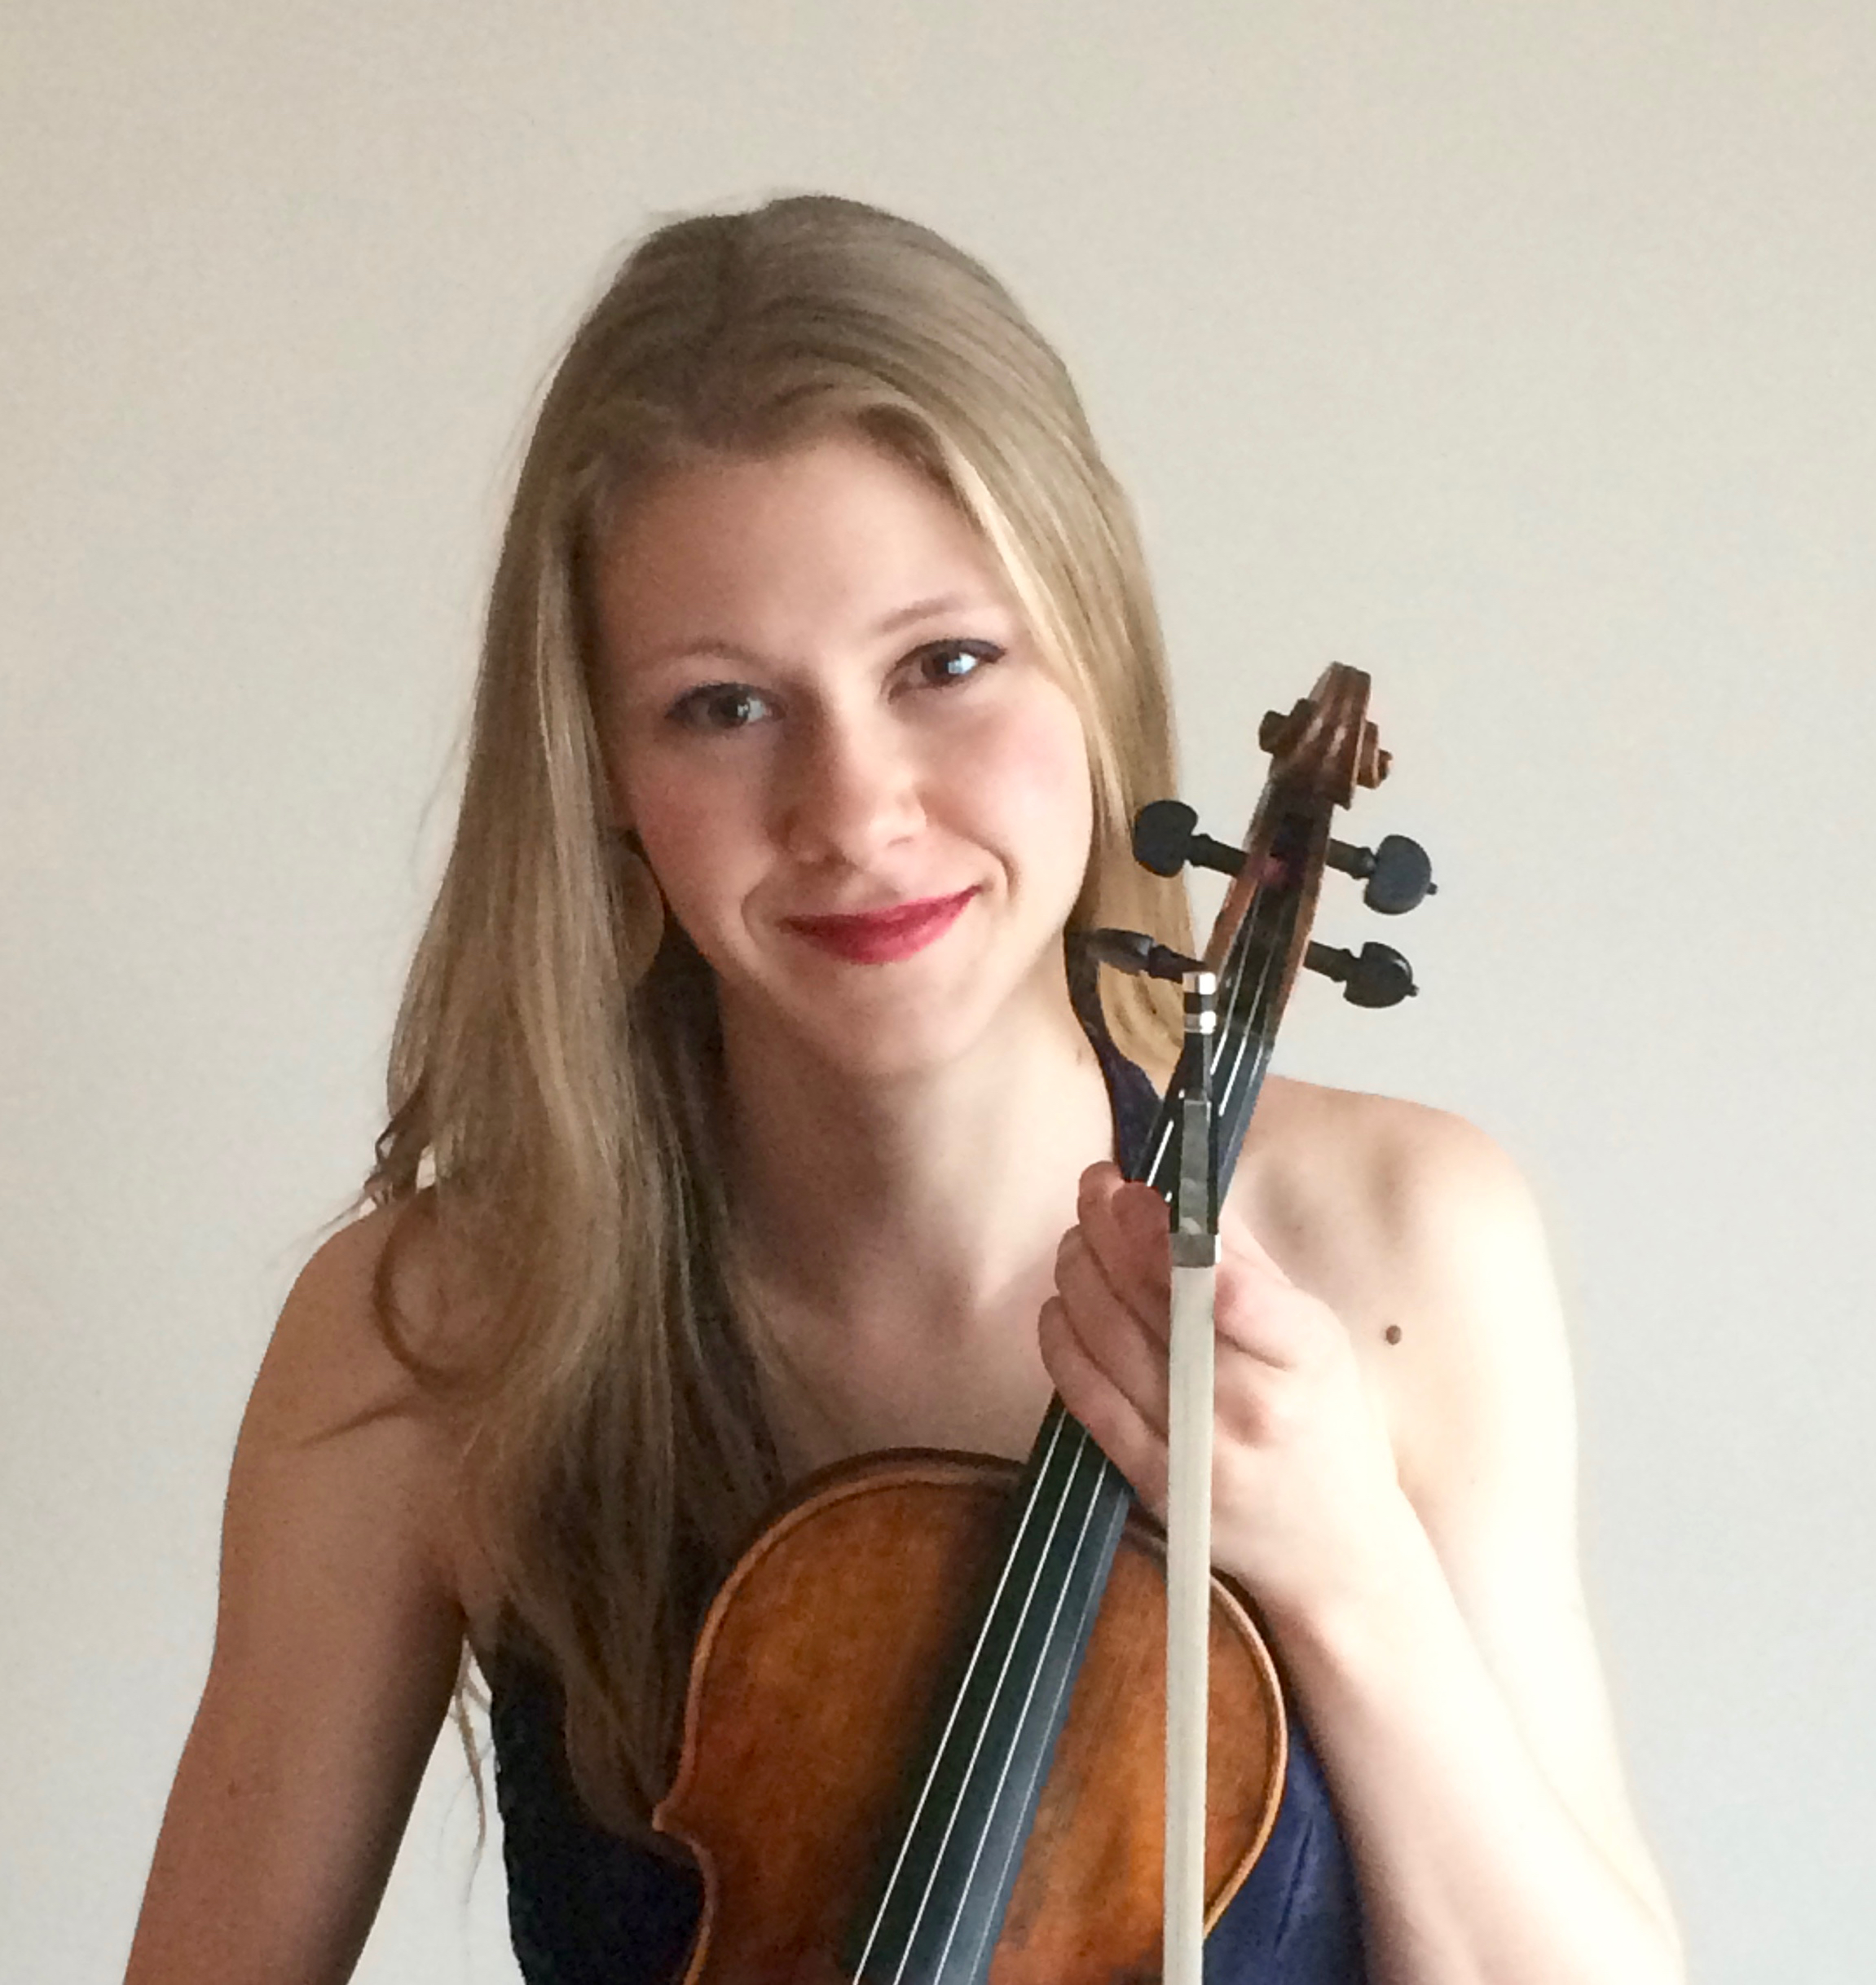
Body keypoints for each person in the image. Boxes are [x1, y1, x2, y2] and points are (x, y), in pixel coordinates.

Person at [125, 194, 1683, 1985]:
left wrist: (1345, 1569)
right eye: (722, 707)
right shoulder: (427, 1341)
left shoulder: (1396, 1246)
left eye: (944, 666)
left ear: (1088, 663)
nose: (853, 813)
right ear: (600, 772)